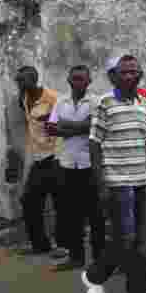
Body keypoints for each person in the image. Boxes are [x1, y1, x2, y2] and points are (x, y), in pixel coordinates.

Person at [81, 55, 146, 293]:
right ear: (115, 76)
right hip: (117, 182)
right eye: (125, 72)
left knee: (141, 241)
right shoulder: (104, 104)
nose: (131, 76)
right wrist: (101, 184)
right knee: (126, 238)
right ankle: (93, 276)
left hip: (141, 181)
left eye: (135, 72)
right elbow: (94, 144)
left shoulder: (143, 103)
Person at [45, 65, 105, 272]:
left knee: (96, 214)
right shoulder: (60, 101)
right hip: (68, 164)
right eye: (75, 79)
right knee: (71, 214)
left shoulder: (97, 102)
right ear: (69, 81)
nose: (78, 82)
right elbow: (51, 129)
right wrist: (80, 126)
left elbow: (94, 127)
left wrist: (66, 126)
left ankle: (100, 259)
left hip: (91, 164)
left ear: (89, 82)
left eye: (82, 79)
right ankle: (76, 257)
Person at [11, 65, 62, 257]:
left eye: (22, 80)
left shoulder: (52, 98)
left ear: (34, 79)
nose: (19, 84)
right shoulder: (23, 98)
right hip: (38, 157)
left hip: (55, 155)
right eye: (18, 81)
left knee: (60, 202)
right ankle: (40, 244)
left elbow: (62, 123)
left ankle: (64, 245)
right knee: (29, 200)